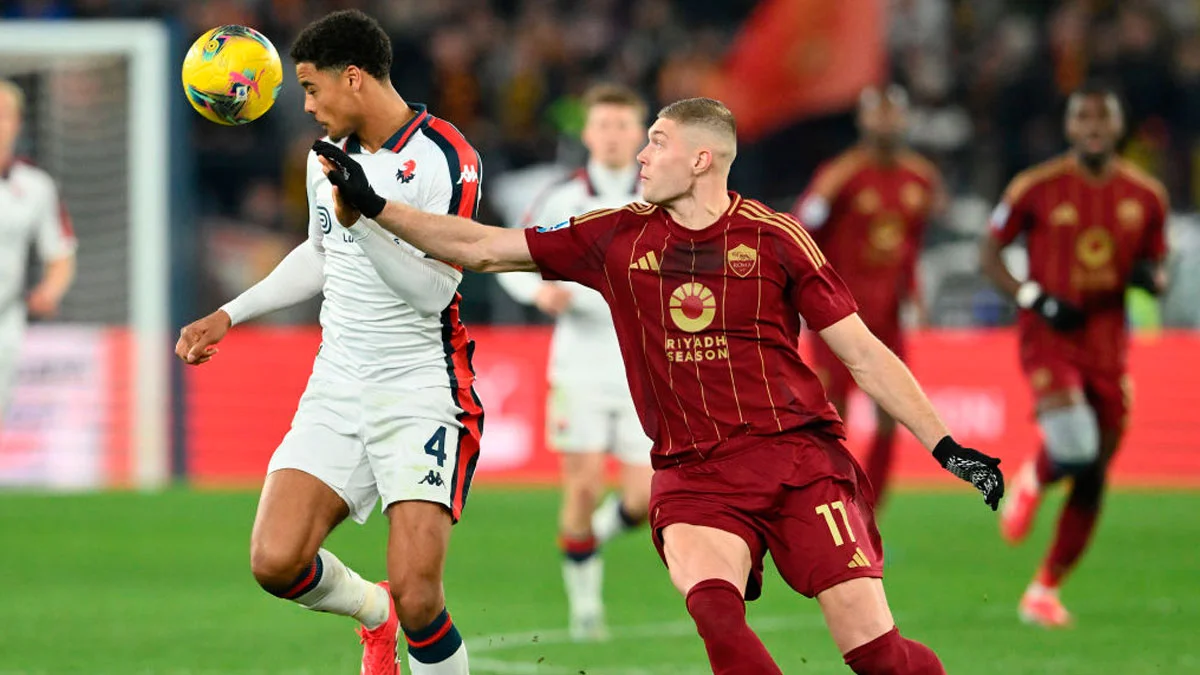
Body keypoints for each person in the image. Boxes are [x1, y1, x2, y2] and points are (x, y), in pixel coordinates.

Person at [315, 96, 1005, 675]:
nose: (640, 156)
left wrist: (948, 447)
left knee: (878, 656)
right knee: (717, 617)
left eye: (657, 142)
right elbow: (484, 246)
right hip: (694, 474)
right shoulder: (614, 235)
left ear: (701, 159)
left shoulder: (777, 239)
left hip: (799, 462)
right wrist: (375, 205)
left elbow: (865, 355)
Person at [174, 11, 482, 674]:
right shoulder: (325, 158)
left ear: (353, 78)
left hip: (421, 389)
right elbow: (321, 251)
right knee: (275, 560)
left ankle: (401, 612)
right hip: (338, 382)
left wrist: (364, 217)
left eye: (312, 89)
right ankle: (373, 610)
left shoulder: (444, 157)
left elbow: (433, 292)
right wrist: (230, 312)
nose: (308, 106)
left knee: (421, 596)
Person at [981, 82, 1167, 628]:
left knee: (1093, 473)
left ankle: (1044, 589)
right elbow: (988, 251)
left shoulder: (1146, 196)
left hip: (1108, 348)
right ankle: (1036, 478)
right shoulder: (1035, 187)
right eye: (1083, 118)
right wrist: (1032, 297)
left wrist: (1151, 278)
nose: (1093, 128)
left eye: (1102, 118)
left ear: (1118, 126)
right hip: (1049, 340)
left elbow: (1158, 265)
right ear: (1069, 127)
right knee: (1076, 446)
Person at [497, 83, 653, 641]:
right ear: (587, 133)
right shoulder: (562, 198)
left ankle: (586, 544)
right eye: (603, 125)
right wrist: (538, 292)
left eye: (623, 125)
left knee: (646, 498)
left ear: (641, 135)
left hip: (644, 364)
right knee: (582, 487)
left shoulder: (661, 196)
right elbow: (511, 254)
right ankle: (586, 611)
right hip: (580, 363)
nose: (612, 136)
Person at [793, 85, 942, 508]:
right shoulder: (840, 175)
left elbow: (912, 244)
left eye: (893, 114)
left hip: (888, 316)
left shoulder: (921, 179)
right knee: (832, 415)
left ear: (905, 119)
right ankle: (828, 504)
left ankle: (867, 514)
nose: (886, 122)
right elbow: (802, 230)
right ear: (863, 120)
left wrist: (915, 296)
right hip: (837, 316)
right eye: (878, 114)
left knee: (894, 415)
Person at [0, 79, 77, 421]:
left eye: (3, 115)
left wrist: (49, 291)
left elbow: (60, 253)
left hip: (6, 321)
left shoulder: (36, 187)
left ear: (17, 123)